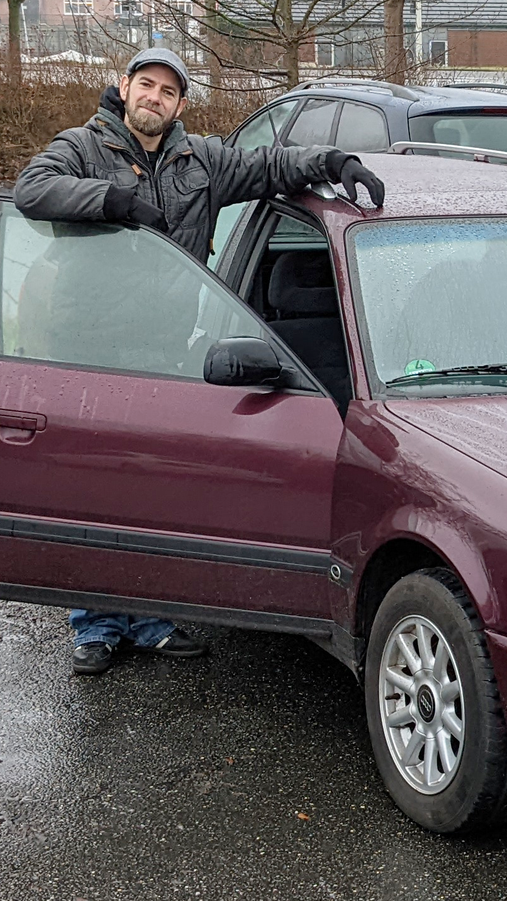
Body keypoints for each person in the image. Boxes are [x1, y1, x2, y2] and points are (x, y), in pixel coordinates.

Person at [14, 48, 386, 676]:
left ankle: (154, 617)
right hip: (92, 349)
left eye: (167, 91)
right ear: (124, 87)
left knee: (156, 487)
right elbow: (32, 189)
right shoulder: (82, 148)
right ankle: (98, 625)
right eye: (146, 85)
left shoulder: (201, 161)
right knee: (98, 486)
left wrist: (333, 160)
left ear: (180, 103)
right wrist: (114, 200)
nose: (154, 98)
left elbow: (269, 166)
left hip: (164, 348)